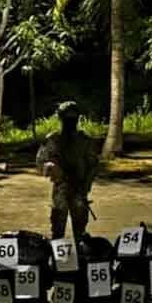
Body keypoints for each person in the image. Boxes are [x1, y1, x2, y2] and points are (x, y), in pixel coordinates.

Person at [36, 101, 99, 240]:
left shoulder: (85, 141)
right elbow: (40, 162)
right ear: (61, 118)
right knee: (58, 230)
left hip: (79, 189)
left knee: (80, 232)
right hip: (61, 189)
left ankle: (80, 255)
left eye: (73, 118)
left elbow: (93, 165)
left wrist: (85, 186)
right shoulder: (53, 139)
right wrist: (51, 167)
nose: (70, 122)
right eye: (67, 118)